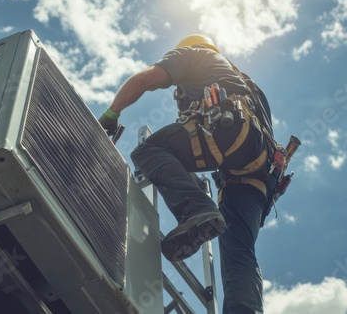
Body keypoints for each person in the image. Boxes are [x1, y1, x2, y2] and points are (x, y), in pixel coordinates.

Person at [98, 34, 276, 313]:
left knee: (148, 151)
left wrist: (111, 113)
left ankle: (196, 210)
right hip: (258, 177)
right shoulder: (246, 83)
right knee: (240, 255)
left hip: (230, 131)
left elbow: (144, 80)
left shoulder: (192, 54)